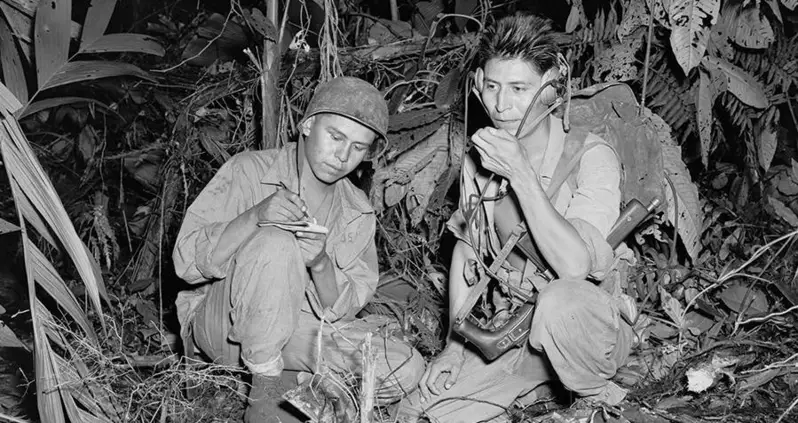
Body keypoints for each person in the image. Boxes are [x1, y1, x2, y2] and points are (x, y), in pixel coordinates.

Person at [397, 14, 636, 422]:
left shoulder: (589, 157)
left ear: (551, 87)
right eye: (492, 87)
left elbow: (575, 267)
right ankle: (535, 386)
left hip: (585, 330)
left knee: (562, 302)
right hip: (514, 329)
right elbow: (467, 253)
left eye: (519, 89)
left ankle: (595, 398)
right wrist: (455, 347)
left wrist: (522, 174)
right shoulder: (481, 160)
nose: (501, 104)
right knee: (422, 409)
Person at [172, 76, 425, 422]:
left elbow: (344, 311)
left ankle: (300, 384)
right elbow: (186, 262)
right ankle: (264, 395)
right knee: (276, 242)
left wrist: (320, 263)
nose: (342, 155)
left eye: (357, 147)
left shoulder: (356, 210)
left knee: (405, 366)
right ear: (307, 125)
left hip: (296, 334)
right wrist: (255, 216)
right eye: (335, 137)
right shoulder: (249, 171)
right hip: (223, 327)